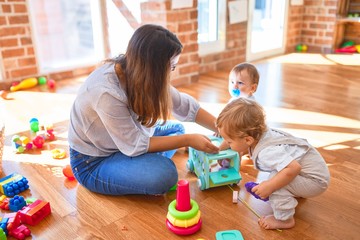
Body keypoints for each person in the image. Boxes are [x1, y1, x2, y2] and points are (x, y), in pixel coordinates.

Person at [68, 24, 219, 196]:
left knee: (177, 129)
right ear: (154, 68)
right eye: (171, 67)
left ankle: (143, 161)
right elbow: (134, 145)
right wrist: (188, 140)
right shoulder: (106, 92)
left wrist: (222, 128)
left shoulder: (137, 71)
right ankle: (144, 162)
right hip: (93, 161)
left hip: (125, 141)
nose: (172, 72)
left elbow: (184, 105)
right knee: (165, 175)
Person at [216, 98, 330, 230]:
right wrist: (221, 149)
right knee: (277, 177)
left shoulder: (266, 152)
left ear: (248, 140)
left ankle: (284, 219)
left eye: (229, 142)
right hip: (312, 172)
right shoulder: (260, 135)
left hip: (315, 181)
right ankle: (294, 191)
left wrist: (270, 186)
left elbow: (294, 168)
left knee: (275, 182)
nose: (227, 144)